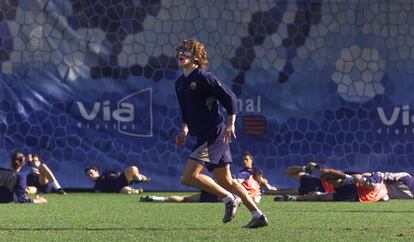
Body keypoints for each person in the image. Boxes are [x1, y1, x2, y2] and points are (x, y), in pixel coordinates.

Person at [174, 39, 267, 228]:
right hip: (203, 136)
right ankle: (258, 216)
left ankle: (228, 199)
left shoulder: (204, 77)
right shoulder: (179, 83)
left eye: (187, 51)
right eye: (180, 51)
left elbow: (229, 97)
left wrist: (231, 124)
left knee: (188, 176)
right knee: (226, 180)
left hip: (214, 135)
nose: (181, 53)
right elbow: (186, 112)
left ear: (197, 58)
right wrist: (184, 129)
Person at [274, 170, 389, 203]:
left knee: (321, 196)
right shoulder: (377, 178)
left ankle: (293, 199)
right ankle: (294, 199)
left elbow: (373, 186)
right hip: (353, 191)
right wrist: (360, 179)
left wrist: (361, 180)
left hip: (353, 194)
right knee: (321, 196)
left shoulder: (380, 186)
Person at [84, 166, 149, 193]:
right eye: (88, 175)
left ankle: (140, 179)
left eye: (91, 173)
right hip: (117, 188)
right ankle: (135, 191)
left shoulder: (107, 173)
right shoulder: (96, 187)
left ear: (96, 172)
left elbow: (119, 174)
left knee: (133, 168)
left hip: (121, 179)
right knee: (126, 191)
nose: (90, 176)